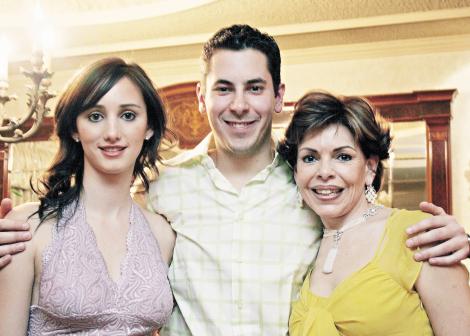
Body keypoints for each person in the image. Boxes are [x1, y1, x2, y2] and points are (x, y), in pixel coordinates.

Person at [0, 25, 468, 335]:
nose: (239, 105)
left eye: (255, 88)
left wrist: (449, 235)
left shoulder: (311, 189)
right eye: (224, 88)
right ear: (202, 96)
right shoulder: (161, 189)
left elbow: (373, 232)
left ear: (278, 96)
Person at [0, 57, 175, 335]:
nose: (112, 133)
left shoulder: (163, 234)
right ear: (74, 129)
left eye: (128, 115)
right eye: (95, 116)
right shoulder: (28, 227)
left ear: (149, 126)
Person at [278, 91, 470, 335]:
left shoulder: (419, 234)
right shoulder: (305, 245)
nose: (324, 171)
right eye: (310, 158)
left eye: (343, 156)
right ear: (296, 172)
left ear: (370, 167)